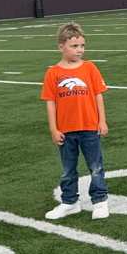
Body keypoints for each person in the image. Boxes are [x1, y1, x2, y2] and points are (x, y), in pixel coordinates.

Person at [40, 23, 110, 221]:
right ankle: (70, 202)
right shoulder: (53, 73)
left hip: (90, 127)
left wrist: (102, 121)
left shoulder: (90, 68)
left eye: (82, 46)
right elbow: (50, 103)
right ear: (61, 46)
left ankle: (100, 201)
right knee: (68, 169)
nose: (80, 50)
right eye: (74, 46)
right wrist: (54, 129)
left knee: (95, 166)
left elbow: (98, 95)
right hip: (65, 131)